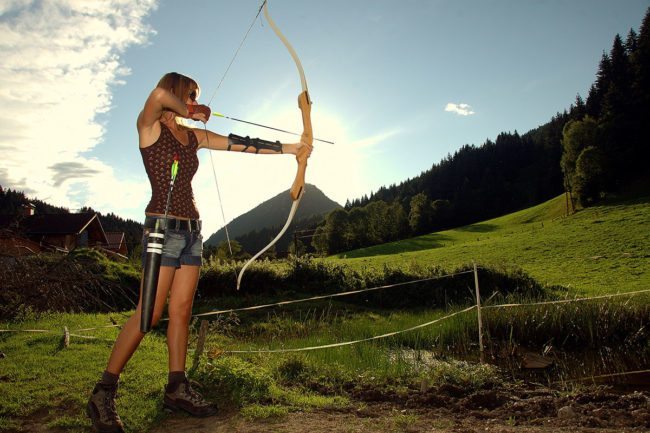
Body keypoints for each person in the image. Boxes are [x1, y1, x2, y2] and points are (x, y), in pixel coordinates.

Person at [86, 72, 312, 433]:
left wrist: (292, 149)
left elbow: (241, 144)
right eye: (190, 94)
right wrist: (189, 109)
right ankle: (103, 393)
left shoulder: (193, 138)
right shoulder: (149, 126)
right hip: (161, 230)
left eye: (195, 96)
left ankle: (176, 387)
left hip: (192, 233)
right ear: (179, 92)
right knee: (148, 315)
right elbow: (158, 93)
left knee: (181, 311)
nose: (193, 99)